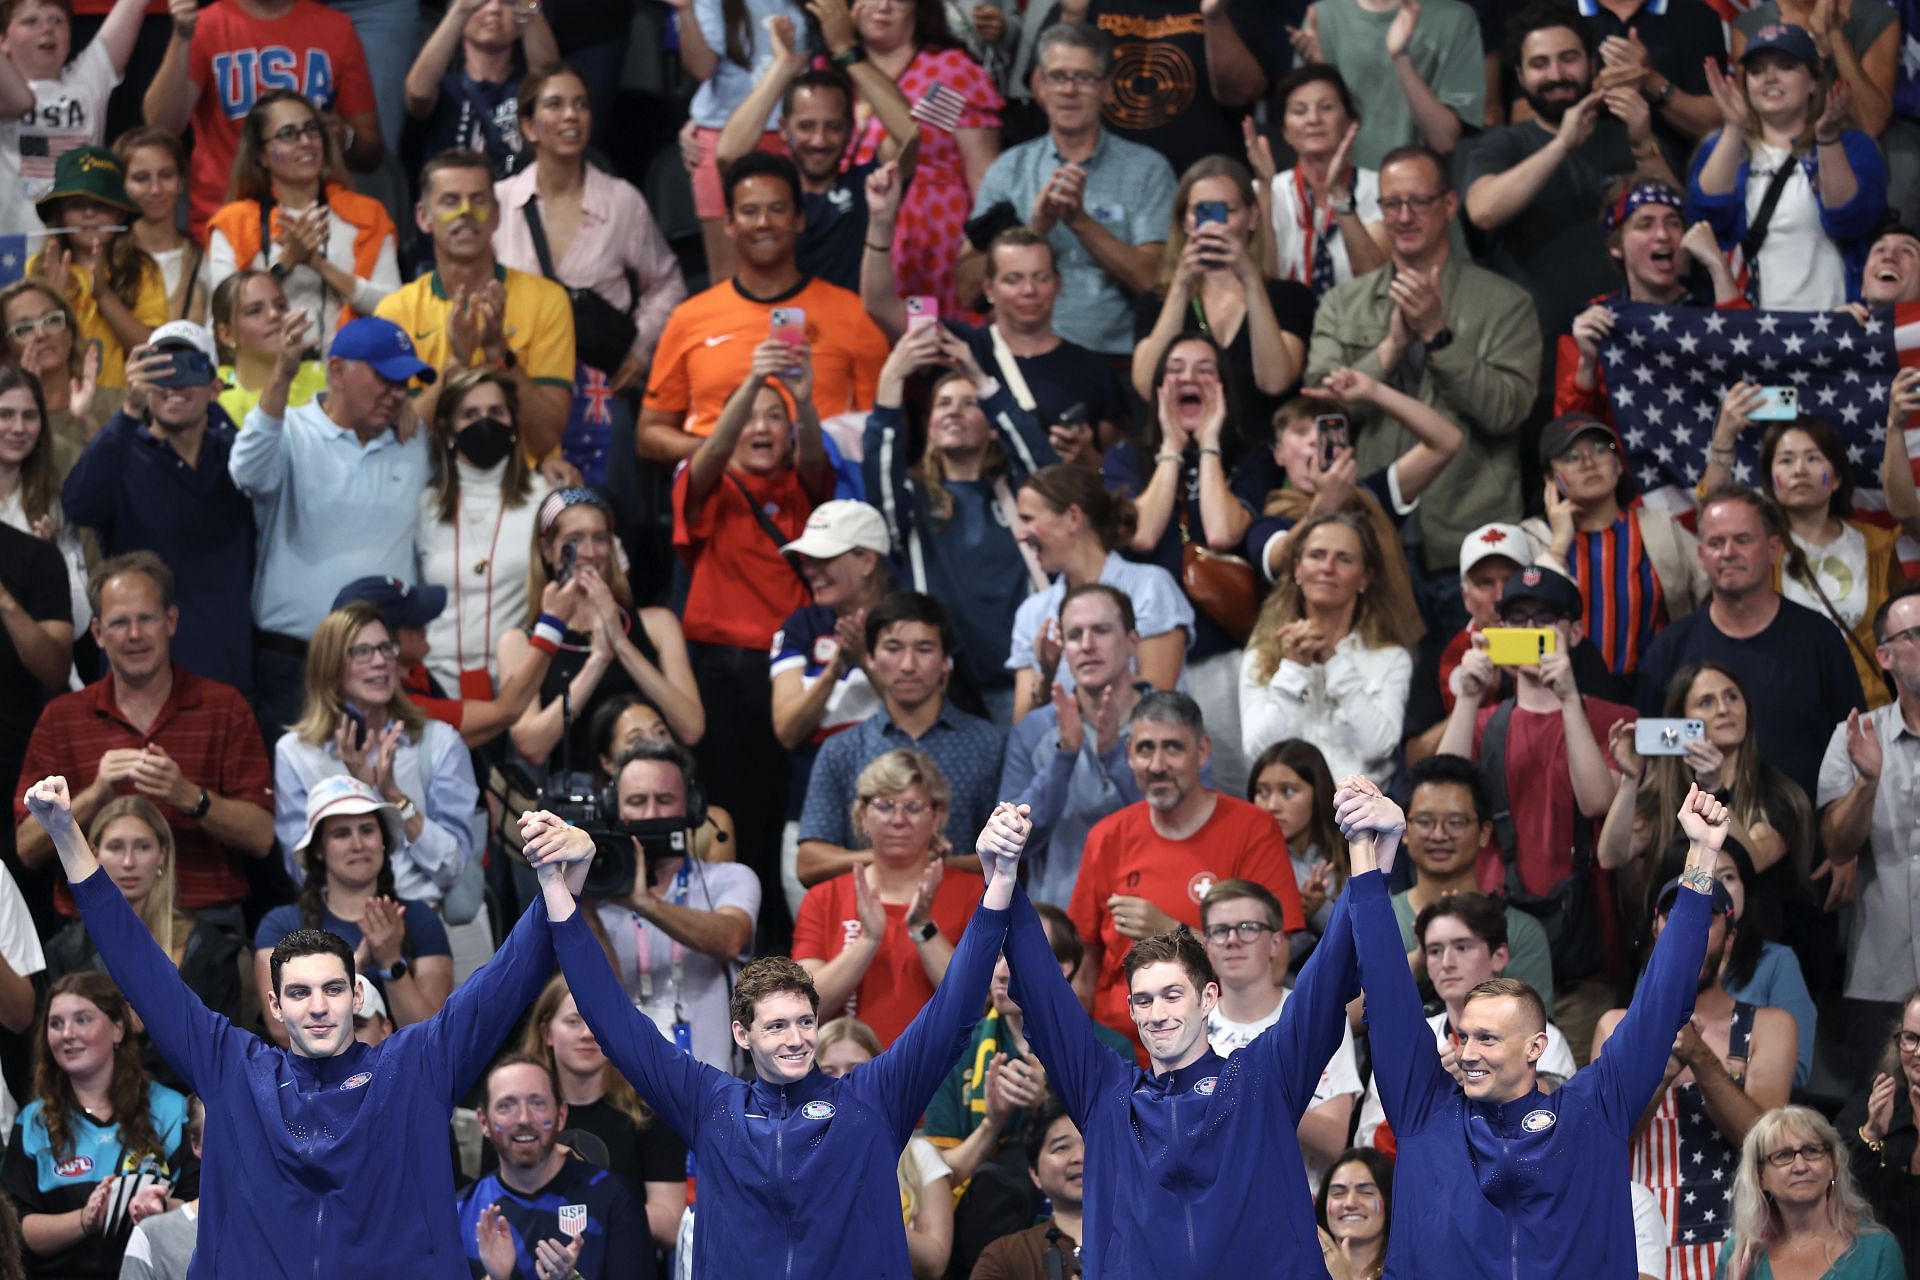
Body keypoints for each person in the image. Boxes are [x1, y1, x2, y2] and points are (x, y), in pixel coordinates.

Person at [21, 768, 569, 1273]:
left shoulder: (416, 1066)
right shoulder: (233, 1068)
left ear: (357, 994)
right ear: (275, 1005)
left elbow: (505, 982)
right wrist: (68, 837)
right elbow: (139, 965)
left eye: (333, 988)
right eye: (300, 993)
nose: (318, 1005)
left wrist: (558, 884)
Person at [526, 780, 1022, 1277]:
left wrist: (997, 883)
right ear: (743, 1035)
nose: (797, 1038)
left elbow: (953, 1013)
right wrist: (558, 890)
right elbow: (616, 1024)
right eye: (778, 1025)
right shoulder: (710, 1104)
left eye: (806, 1021)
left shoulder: (874, 1099)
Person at [1345, 772, 1728, 1275]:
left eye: (1488, 1038)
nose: (1469, 1052)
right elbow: (1388, 989)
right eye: (1466, 1037)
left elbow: (1661, 1002)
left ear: (1536, 1047)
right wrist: (1363, 849)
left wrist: (1701, 855)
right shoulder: (1425, 1110)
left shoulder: (1595, 1110)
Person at [995, 761, 1363, 1273]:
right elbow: (1046, 1000)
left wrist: (1365, 857)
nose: (1158, 1013)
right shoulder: (1107, 1094)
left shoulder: (1258, 1080)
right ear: (1130, 1011)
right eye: (1143, 1001)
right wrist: (1004, 879)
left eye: (1172, 995)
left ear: (1208, 997)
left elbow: (1322, 989)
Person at [1305, 144, 1541, 597]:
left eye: (1419, 201)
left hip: (1469, 547)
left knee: (1485, 667)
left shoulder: (1505, 304)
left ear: (1449, 205)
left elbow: (1505, 412)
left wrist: (1438, 335)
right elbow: (1320, 408)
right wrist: (1391, 348)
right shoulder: (1343, 304)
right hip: (1368, 542)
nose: (1404, 216)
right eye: (1391, 204)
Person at [1438, 566, 1635, 1056]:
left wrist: (1570, 699)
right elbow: (1444, 800)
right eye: (1515, 621)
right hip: (1498, 941)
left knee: (1577, 1096)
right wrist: (1466, 699)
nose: (1527, 633)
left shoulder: (1616, 719)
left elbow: (1597, 802)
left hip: (1588, 943)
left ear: (1574, 632)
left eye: (1542, 620)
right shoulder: (1486, 721)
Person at [13, 552, 275, 916]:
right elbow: (26, 848)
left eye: (146, 619)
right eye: (120, 622)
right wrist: (94, 796)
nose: (134, 635)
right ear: (98, 633)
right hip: (96, 922)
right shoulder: (62, 718)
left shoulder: (224, 707)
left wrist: (189, 796)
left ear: (171, 620)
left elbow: (262, 837)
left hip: (204, 922)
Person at [227, 312, 439, 737]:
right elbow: (246, 472)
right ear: (338, 372)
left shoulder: (414, 443)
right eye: (385, 379)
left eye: (405, 384)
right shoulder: (291, 433)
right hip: (293, 666)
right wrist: (282, 375)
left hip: (384, 665)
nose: (398, 394)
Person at [1065, 690, 1304, 1050]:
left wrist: (1170, 931)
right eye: (1146, 749)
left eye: (1173, 748)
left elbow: (1273, 964)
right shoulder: (1107, 837)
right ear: (1129, 753)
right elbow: (1082, 967)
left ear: (1203, 752)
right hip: (1118, 1050)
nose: (1158, 764)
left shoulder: (1252, 829)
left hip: (1217, 1047)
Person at [491, 63, 687, 483]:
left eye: (580, 105)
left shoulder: (621, 201)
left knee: (603, 509)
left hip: (600, 383)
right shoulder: (500, 202)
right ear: (527, 125)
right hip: (520, 380)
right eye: (555, 105)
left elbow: (668, 282)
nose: (570, 116)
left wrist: (641, 346)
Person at [1596, 874, 1799, 1277]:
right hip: (1638, 1235)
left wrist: (1698, 1055)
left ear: (1730, 936)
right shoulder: (1616, 1025)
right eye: (1671, 918)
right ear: (1656, 931)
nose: (1686, 931)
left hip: (1737, 1241)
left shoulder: (1769, 1026)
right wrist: (1664, 1070)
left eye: (1703, 920)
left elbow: (1767, 1144)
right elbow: (1603, 1138)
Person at [636, 152, 889, 466]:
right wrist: (720, 453)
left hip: (826, 495)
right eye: (750, 211)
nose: (763, 223)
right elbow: (650, 433)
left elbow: (886, 429)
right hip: (721, 492)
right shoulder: (689, 318)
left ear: (799, 219)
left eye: (778, 209)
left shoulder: (853, 314)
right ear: (729, 223)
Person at [865, 320, 1054, 717]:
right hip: (945, 693)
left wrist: (981, 380)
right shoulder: (913, 502)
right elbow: (879, 484)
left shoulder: (1020, 497)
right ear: (929, 427)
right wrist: (891, 381)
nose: (955, 411)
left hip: (1024, 682)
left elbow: (1045, 468)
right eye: (944, 404)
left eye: (970, 404)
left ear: (990, 428)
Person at [1461, 7, 1679, 347]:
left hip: (1636, 344)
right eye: (1539, 64)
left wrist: (1642, 143)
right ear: (1519, 76)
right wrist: (1562, 144)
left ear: (1592, 65)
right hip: (1535, 349)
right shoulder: (1502, 144)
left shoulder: (1630, 134)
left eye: (1568, 58)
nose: (1556, 74)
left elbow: (1681, 224)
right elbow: (1483, 211)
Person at [1638, 484, 1866, 808]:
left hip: (1811, 848)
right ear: (1702, 556)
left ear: (1773, 548)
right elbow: (1650, 749)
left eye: (1742, 540)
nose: (1728, 552)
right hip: (1703, 848)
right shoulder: (1671, 647)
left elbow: (1851, 746)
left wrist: (1841, 850)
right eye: (1716, 543)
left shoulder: (1819, 638)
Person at [953, 22, 1171, 358]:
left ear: (1107, 88)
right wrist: (1034, 230)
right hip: (1022, 360)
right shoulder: (1009, 171)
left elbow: (1155, 282)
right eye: (1058, 77)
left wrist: (1080, 222)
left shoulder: (1147, 169)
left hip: (1116, 361)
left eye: (1084, 78)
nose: (1069, 90)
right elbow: (968, 289)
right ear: (1040, 86)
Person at [59, 324, 255, 696]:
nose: (174, 384)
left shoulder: (240, 460)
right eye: (158, 370)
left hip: (229, 676)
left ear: (216, 387)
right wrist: (129, 411)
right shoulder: (120, 454)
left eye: (190, 369)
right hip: (141, 682)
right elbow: (78, 506)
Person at [272, 601, 478, 912]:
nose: (380, 661)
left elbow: (453, 866)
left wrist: (393, 796)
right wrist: (358, 793)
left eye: (386, 648)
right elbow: (302, 870)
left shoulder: (439, 743)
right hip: (338, 928)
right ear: (330, 666)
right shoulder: (296, 753)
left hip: (428, 920)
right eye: (362, 652)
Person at [373, 150, 575, 459]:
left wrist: (501, 354)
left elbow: (546, 437)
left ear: (496, 215)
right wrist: (457, 363)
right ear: (423, 217)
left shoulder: (548, 300)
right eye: (450, 201)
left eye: (478, 200)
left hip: (522, 487)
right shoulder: (394, 312)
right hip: (431, 484)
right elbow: (398, 439)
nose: (465, 212)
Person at [794, 592, 1004, 889]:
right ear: (869, 658)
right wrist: (890, 856)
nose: (908, 665)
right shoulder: (842, 749)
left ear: (946, 661)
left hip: (965, 922)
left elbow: (1012, 861)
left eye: (924, 648)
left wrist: (930, 863)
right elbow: (808, 862)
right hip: (864, 919)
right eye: (893, 648)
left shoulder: (988, 744)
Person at [1700, 411, 1904, 710]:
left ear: (1835, 478)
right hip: (1782, 708)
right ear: (1770, 480)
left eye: (1812, 458)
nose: (1799, 470)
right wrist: (1724, 438)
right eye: (1785, 460)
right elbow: (1712, 518)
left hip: (1870, 714)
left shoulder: (1878, 545)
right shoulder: (1756, 552)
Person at [1600, 661, 1813, 946]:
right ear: (1681, 719)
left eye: (1732, 697)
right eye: (1706, 702)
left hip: (1751, 952)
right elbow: (1611, 856)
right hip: (1674, 949)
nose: (1723, 709)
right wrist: (1630, 777)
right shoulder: (1666, 794)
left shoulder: (1779, 793)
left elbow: (1750, 862)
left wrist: (1715, 791)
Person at [714, 3, 918, 294]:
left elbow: (908, 134)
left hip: (849, 331)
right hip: (777, 327)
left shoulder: (870, 188)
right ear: (783, 129)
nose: (819, 141)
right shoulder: (770, 193)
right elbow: (727, 156)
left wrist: (847, 50)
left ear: (850, 129)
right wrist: (782, 67)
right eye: (806, 127)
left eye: (833, 127)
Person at [3, 971, 191, 1280]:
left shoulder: (171, 1111)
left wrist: (161, 1206)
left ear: (118, 1028)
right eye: (56, 1023)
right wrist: (85, 1220)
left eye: (83, 1019)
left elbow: (203, 1206)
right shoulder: (34, 1123)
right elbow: (17, 1228)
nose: (67, 1034)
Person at [1355, 891, 1578, 1151]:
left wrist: (1481, 1085)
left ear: (1499, 955)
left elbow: (1562, 1129)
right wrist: (1429, 1091)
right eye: (1435, 951)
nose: (1447, 963)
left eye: (1462, 947)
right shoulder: (1406, 1042)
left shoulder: (1540, 1037)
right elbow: (1367, 1144)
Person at [503, 486, 703, 776]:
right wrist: (597, 662)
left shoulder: (658, 624)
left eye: (600, 538)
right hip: (570, 801)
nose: (589, 553)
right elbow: (532, 746)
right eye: (574, 540)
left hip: (651, 789)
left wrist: (621, 645)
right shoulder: (521, 642)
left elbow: (691, 727)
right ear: (547, 550)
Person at [141, 0, 382, 240]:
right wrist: (182, 38)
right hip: (225, 225)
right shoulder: (206, 25)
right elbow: (161, 125)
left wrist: (343, 137)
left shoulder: (336, 28)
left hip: (317, 226)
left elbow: (370, 153)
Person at [586, 739, 759, 1072]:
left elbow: (731, 938)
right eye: (637, 801)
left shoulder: (731, 879)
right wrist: (585, 907)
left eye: (664, 800)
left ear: (691, 808)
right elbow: (601, 994)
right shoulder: (597, 898)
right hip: (627, 1088)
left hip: (716, 1090)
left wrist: (644, 902)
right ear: (614, 810)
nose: (652, 814)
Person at [792, 749, 983, 1046]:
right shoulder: (824, 898)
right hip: (846, 1076)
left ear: (937, 816)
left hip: (943, 1076)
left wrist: (923, 928)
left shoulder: (974, 894)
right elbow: (805, 1010)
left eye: (913, 807)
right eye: (884, 806)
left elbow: (978, 1005)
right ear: (862, 815)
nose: (898, 820)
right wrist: (867, 941)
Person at [1688, 23, 1885, 309]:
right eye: (1756, 70)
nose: (1769, 77)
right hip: (1751, 334)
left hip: (1835, 327)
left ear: (1814, 81)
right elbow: (1705, 218)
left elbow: (1851, 220)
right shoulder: (1720, 147)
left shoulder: (1855, 147)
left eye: (1786, 66)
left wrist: (1827, 140)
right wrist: (1733, 128)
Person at [253, 773, 453, 1044]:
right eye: (342, 833)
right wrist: (355, 964)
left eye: (367, 830)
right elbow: (281, 1030)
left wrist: (391, 962)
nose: (358, 845)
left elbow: (432, 1035)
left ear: (383, 841)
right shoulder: (280, 925)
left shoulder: (419, 919)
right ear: (319, 850)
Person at [205, 91, 398, 363]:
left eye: (312, 130)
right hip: (263, 379)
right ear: (261, 155)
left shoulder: (367, 216)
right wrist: (286, 262)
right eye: (288, 134)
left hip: (351, 376)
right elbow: (222, 318)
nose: (306, 142)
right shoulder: (233, 223)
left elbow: (394, 310)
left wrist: (319, 265)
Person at [1817, 582, 1920, 1084]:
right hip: (1882, 981)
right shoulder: (1855, 736)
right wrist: (1869, 782)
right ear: (1884, 655)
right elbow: (1837, 844)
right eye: (1916, 634)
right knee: (1877, 1130)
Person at [1557, 178, 1743, 453]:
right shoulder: (1594, 323)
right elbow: (1571, 440)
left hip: (1727, 477)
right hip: (1637, 487)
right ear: (1615, 246)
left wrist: (1717, 267)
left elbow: (1774, 399)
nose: (1663, 235)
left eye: (1673, 223)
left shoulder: (1715, 309)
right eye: (1645, 224)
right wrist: (1587, 365)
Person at [841, 0, 1000, 319]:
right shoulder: (829, 69)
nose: (883, 6)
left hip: (935, 247)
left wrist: (984, 259)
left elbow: (984, 180)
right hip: (849, 236)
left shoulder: (949, 72)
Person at [1001, 583, 1157, 907]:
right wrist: (1064, 757)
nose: (1087, 645)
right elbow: (1011, 846)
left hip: (1154, 918)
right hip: (1063, 929)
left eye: (1101, 631)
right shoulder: (1033, 731)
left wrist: (1115, 753)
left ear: (1132, 641)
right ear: (1065, 652)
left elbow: (1185, 826)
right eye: (1074, 636)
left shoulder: (1172, 723)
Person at [1202, 878, 1363, 1191]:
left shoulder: (1317, 1018)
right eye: (1219, 930)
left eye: (1248, 927)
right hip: (1215, 1205)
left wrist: (1254, 1091)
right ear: (1206, 944)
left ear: (1276, 942)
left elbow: (1334, 1139)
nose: (1232, 940)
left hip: (1304, 1205)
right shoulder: (1188, 1025)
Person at [769, 500, 890, 912]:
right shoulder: (800, 627)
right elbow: (787, 729)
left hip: (895, 816)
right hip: (812, 816)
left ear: (868, 560)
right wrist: (838, 664)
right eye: (808, 560)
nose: (811, 570)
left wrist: (866, 661)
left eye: (825, 558)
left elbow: (919, 713)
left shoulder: (912, 619)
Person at [1129, 158, 1311, 435]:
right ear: (1185, 222)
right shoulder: (1154, 302)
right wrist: (1180, 287)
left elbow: (1274, 381)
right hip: (1182, 451)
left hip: (1263, 458)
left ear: (1251, 217)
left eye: (1227, 211)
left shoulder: (1289, 298)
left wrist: (1250, 279)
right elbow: (1146, 385)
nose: (1215, 224)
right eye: (1201, 211)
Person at [1520, 412, 1708, 678]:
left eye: (1601, 450)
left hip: (1652, 694)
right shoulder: (1532, 538)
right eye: (1571, 457)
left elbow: (1716, 590)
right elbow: (1519, 626)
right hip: (1561, 691)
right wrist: (1559, 546)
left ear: (1618, 466)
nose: (1588, 463)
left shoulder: (1659, 528)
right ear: (1551, 479)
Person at [1238, 509, 1417, 785]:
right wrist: (1295, 669)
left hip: (1359, 818)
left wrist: (1334, 662)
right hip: (1286, 816)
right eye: (1317, 555)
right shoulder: (1261, 656)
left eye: (1344, 559)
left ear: (1365, 578)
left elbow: (1378, 747)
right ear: (1297, 568)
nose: (1328, 568)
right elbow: (1258, 752)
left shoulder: (1391, 658)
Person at [46, 798, 246, 1037]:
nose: (129, 862)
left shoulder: (210, 948)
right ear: (94, 853)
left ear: (162, 854)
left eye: (142, 847)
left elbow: (225, 1042)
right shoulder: (66, 952)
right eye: (116, 847)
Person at [416, 365, 552, 704]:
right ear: (448, 432)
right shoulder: (424, 505)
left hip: (519, 690)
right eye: (470, 414)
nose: (485, 422)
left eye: (496, 412)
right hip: (437, 688)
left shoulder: (544, 497)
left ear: (513, 424)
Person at [1009, 464, 1191, 716]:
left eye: (1028, 519)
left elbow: (1158, 697)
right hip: (1065, 754)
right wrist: (1047, 676)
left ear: (1073, 517)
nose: (1019, 535)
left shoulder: (1149, 587)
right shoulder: (1032, 613)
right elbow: (1023, 727)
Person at [520, 976, 687, 1250]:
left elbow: (670, 1225)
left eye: (595, 1021)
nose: (587, 1033)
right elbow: (494, 1207)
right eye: (573, 1021)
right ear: (546, 1033)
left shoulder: (650, 1113)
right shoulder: (517, 1117)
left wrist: (589, 1199)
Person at [455, 1054, 651, 1280]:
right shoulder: (459, 1212)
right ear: (483, 1122)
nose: (524, 1118)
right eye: (506, 1105)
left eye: (537, 1103)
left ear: (561, 1115)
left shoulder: (613, 1199)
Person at [1389, 753, 1556, 1004]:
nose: (1438, 835)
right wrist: (1420, 958)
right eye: (1425, 821)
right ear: (1404, 830)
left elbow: (1530, 1030)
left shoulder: (1520, 931)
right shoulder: (1381, 918)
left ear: (1484, 832)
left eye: (1455, 822)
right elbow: (1345, 1018)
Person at [669, 0, 808, 283]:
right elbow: (702, 68)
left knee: (792, 270)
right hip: (725, 135)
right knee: (728, 278)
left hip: (792, 137)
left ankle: (789, 331)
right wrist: (685, 11)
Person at [813, 1018, 953, 1278]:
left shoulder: (919, 1154)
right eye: (828, 1070)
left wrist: (864, 1206)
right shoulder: (790, 1153)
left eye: (856, 1070)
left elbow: (934, 1263)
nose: (842, 1081)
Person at [30, 145, 164, 395]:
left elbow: (152, 349)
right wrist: (52, 302)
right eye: (77, 204)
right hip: (52, 399)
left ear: (121, 214)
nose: (89, 213)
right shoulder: (38, 268)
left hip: (122, 402)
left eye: (102, 205)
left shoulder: (143, 270)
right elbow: (22, 346)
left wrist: (103, 296)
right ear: (58, 214)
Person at [0, 0, 144, 232]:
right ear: (4, 40)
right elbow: (22, 101)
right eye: (30, 21)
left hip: (80, 242)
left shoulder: (88, 79)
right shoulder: (5, 95)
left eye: (57, 20)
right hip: (13, 246)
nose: (47, 28)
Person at [1716, 1105, 1905, 1280]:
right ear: (1761, 1177)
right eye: (1783, 1155)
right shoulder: (1739, 1253)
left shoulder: (1878, 1249)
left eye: (1812, 1151)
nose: (1800, 1166)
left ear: (1832, 1165)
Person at [1296, 0, 1486, 168]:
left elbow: (1443, 140)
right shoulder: (1322, 16)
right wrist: (1320, 72)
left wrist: (1400, 58)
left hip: (1417, 196)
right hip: (1343, 184)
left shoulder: (1454, 18)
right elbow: (1302, 130)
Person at [1258, 64, 1388, 298]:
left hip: (1359, 326)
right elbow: (1262, 283)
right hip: (1286, 328)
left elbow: (1376, 283)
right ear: (1285, 132)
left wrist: (1339, 194)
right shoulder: (1264, 191)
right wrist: (1265, 192)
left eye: (1326, 108)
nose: (1313, 119)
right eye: (1299, 111)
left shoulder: (1381, 189)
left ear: (1350, 122)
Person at [402, 0, 560, 178]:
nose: (494, 9)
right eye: (481, 2)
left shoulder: (527, 86)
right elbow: (417, 94)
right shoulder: (445, 86)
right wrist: (461, 9)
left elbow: (553, 83)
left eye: (507, 2)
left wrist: (529, 7)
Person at [1707, 838, 1819, 1089]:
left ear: (1747, 887)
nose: (1717, 889)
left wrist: (1699, 1061)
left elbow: (1797, 1069)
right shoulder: (1662, 963)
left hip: (1754, 1112)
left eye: (1728, 878)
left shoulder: (1778, 962)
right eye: (1707, 877)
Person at [0, 365, 87, 645]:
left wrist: (52, 560)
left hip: (38, 673)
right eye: (5, 415)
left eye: (29, 416)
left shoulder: (52, 502)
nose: (18, 428)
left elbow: (80, 621)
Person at [1836, 990, 1920, 1273]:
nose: (1918, 1052)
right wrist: (1871, 1134)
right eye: (1911, 1038)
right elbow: (1832, 1192)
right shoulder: (1867, 1107)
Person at [1246, 739, 1345, 967]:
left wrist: (1320, 911)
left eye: (1288, 791)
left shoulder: (1352, 856)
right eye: (1261, 792)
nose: (1272, 805)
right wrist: (1296, 916)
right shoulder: (1242, 863)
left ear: (1317, 794)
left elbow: (1369, 946)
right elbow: (1252, 964)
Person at [969, 1100, 1085, 1280]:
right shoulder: (1004, 1258)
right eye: (1062, 1147)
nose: (1079, 1157)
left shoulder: (1140, 1240)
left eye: (1089, 1142)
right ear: (1035, 1174)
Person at [112, 128, 206, 324]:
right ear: (121, 186)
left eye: (166, 175)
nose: (155, 189)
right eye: (141, 178)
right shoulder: (106, 261)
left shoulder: (204, 257)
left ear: (181, 181)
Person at [206, 269, 325, 424]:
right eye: (255, 311)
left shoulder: (323, 377)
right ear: (227, 334)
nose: (274, 314)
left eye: (281, 306)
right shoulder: (211, 392)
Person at [0, 280, 100, 461]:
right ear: (6, 352)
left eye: (51, 320)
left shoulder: (120, 402)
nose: (41, 334)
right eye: (24, 329)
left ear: (69, 334)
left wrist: (86, 420)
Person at [117, 1095, 202, 1280]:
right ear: (195, 1144)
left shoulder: (277, 1223)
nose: (235, 1146)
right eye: (221, 1134)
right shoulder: (152, 1235)